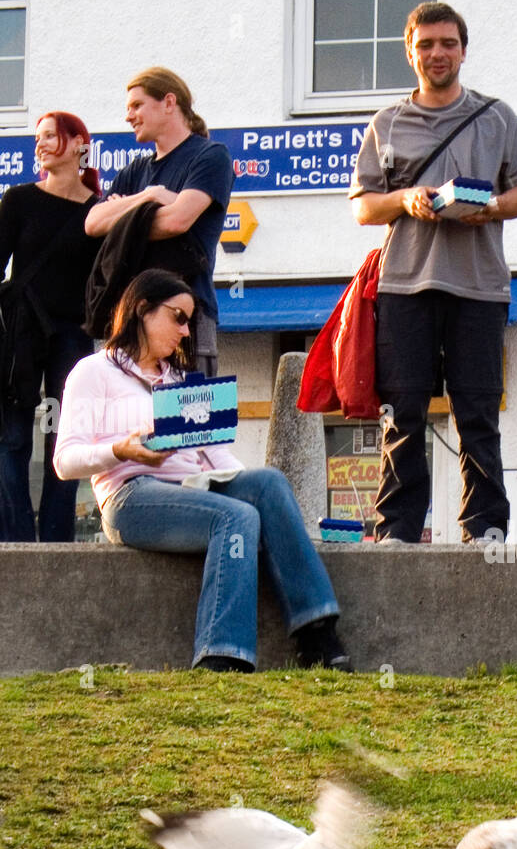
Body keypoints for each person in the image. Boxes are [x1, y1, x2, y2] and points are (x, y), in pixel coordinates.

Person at [54, 270, 351, 673]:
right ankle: (221, 654)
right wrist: (121, 450)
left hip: (194, 488)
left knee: (268, 482)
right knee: (235, 516)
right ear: (142, 309)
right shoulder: (94, 371)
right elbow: (65, 461)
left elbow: (219, 458)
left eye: (189, 321)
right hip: (131, 495)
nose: (186, 331)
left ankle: (316, 632)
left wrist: (264, 500)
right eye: (178, 317)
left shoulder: (179, 382)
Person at [350, 1, 517, 544]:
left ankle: (485, 529)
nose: (438, 53)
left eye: (448, 44)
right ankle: (398, 531)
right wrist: (405, 199)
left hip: (480, 287)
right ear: (410, 51)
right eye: (427, 44)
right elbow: (363, 207)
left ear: (463, 50)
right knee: (401, 414)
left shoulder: (497, 115)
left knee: (478, 414)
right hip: (404, 285)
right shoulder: (386, 123)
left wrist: (493, 207)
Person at [84, 68, 233, 376]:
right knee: (122, 419)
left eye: (136, 106)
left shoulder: (211, 156)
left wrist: (123, 220)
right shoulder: (135, 172)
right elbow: (92, 223)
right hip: (129, 315)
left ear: (169, 102)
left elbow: (178, 220)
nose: (129, 116)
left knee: (190, 420)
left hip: (185, 315)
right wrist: (148, 197)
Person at [0, 112, 101, 541]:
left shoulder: (100, 209)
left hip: (72, 335)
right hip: (20, 332)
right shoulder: (19, 199)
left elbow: (106, 275)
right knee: (13, 437)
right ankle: (15, 541)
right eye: (36, 137)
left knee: (65, 437)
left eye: (49, 136)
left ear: (79, 143)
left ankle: (59, 543)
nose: (38, 144)